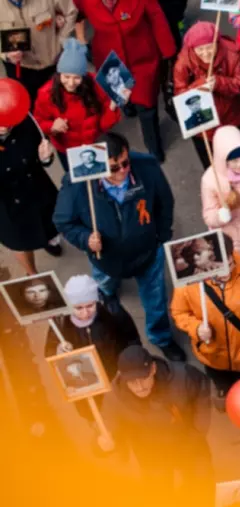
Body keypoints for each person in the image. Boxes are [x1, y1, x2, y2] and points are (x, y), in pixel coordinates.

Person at [53, 132, 185, 362]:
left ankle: (161, 338)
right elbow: (63, 220)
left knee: (156, 301)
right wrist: (85, 239)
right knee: (103, 290)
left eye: (125, 163)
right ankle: (107, 304)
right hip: (106, 259)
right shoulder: (77, 183)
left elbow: (165, 202)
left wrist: (161, 236)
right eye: (114, 168)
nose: (123, 170)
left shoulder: (147, 168)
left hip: (147, 253)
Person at [171, 233, 240, 408]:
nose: (225, 273)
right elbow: (179, 312)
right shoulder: (188, 283)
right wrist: (196, 328)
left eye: (229, 265)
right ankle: (224, 391)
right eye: (219, 268)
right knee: (221, 381)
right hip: (212, 356)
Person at [99, 345, 214, 505]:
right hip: (151, 454)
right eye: (132, 382)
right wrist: (102, 445)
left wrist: (197, 432)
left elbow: (201, 388)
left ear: (153, 369)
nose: (140, 387)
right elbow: (108, 429)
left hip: (189, 442)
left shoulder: (183, 376)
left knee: (202, 490)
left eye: (143, 378)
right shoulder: (114, 398)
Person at [74, 0, 177, 162]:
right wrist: (80, 40)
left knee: (147, 106)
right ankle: (128, 107)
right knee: (122, 99)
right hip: (111, 59)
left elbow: (156, 17)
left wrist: (168, 51)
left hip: (142, 58)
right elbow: (73, 14)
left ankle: (153, 148)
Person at [44, 274, 139, 418]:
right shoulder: (60, 321)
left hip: (114, 372)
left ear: (96, 301)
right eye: (78, 308)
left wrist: (127, 367)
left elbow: (131, 339)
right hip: (83, 380)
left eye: (90, 306)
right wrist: (58, 351)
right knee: (91, 412)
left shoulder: (112, 311)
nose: (85, 313)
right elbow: (49, 351)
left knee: (123, 408)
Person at [34, 38, 121, 172]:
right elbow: (39, 121)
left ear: (84, 76)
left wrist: (113, 106)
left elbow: (103, 125)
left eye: (77, 77)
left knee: (98, 183)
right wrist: (52, 126)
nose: (71, 83)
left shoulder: (97, 85)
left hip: (95, 146)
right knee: (77, 186)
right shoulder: (46, 94)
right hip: (67, 151)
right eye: (66, 76)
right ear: (59, 74)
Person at [174, 21, 240, 169]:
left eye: (210, 47)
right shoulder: (182, 64)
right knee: (211, 165)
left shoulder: (231, 54)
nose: (206, 53)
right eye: (200, 49)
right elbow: (180, 94)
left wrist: (219, 83)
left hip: (233, 117)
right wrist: (200, 85)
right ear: (192, 48)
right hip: (203, 126)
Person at [0, 115, 61, 275]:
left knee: (48, 225)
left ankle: (48, 241)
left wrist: (46, 158)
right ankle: (32, 273)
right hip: (7, 203)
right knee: (19, 242)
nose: (4, 127)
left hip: (37, 189)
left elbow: (41, 156)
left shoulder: (26, 121)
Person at [0, 0, 78, 104]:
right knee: (25, 105)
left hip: (52, 64)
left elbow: (71, 12)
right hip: (20, 69)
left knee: (57, 103)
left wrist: (62, 41)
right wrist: (6, 54)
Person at [201, 126, 240, 259]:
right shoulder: (210, 180)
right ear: (223, 159)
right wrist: (220, 216)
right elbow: (208, 215)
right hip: (231, 243)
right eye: (234, 160)